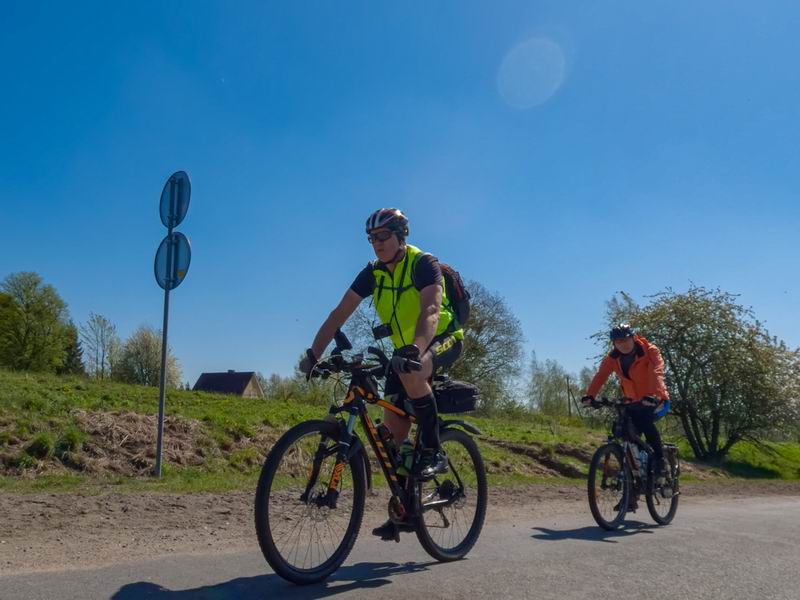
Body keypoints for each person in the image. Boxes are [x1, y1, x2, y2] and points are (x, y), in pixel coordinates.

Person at [299, 208, 464, 539]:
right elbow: (338, 315)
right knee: (394, 440)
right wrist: (314, 354)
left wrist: (417, 350)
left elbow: (431, 310)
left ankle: (432, 450)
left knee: (413, 377)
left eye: (383, 237)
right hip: (402, 354)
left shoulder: (422, 264)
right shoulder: (372, 274)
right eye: (372, 239)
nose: (377, 244)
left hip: (440, 340)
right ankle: (406, 509)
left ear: (401, 236)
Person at [582, 324, 670, 482]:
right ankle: (632, 484)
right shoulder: (612, 358)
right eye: (617, 341)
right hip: (632, 402)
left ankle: (660, 460)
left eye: (625, 339)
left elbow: (658, 371)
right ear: (613, 344)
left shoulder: (650, 351)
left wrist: (655, 395)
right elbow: (601, 375)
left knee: (645, 423)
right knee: (623, 430)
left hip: (656, 401)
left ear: (633, 337)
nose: (622, 344)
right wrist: (590, 396)